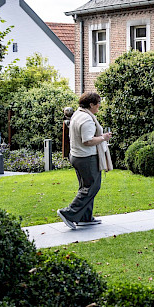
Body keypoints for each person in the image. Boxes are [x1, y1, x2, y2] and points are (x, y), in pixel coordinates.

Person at [58, 91, 113, 229]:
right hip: (86, 157)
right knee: (92, 187)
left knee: (85, 187)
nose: (99, 106)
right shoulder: (87, 119)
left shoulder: (78, 114)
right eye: (98, 103)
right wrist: (103, 138)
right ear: (91, 104)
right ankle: (68, 213)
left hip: (77, 156)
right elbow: (87, 141)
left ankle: (85, 217)